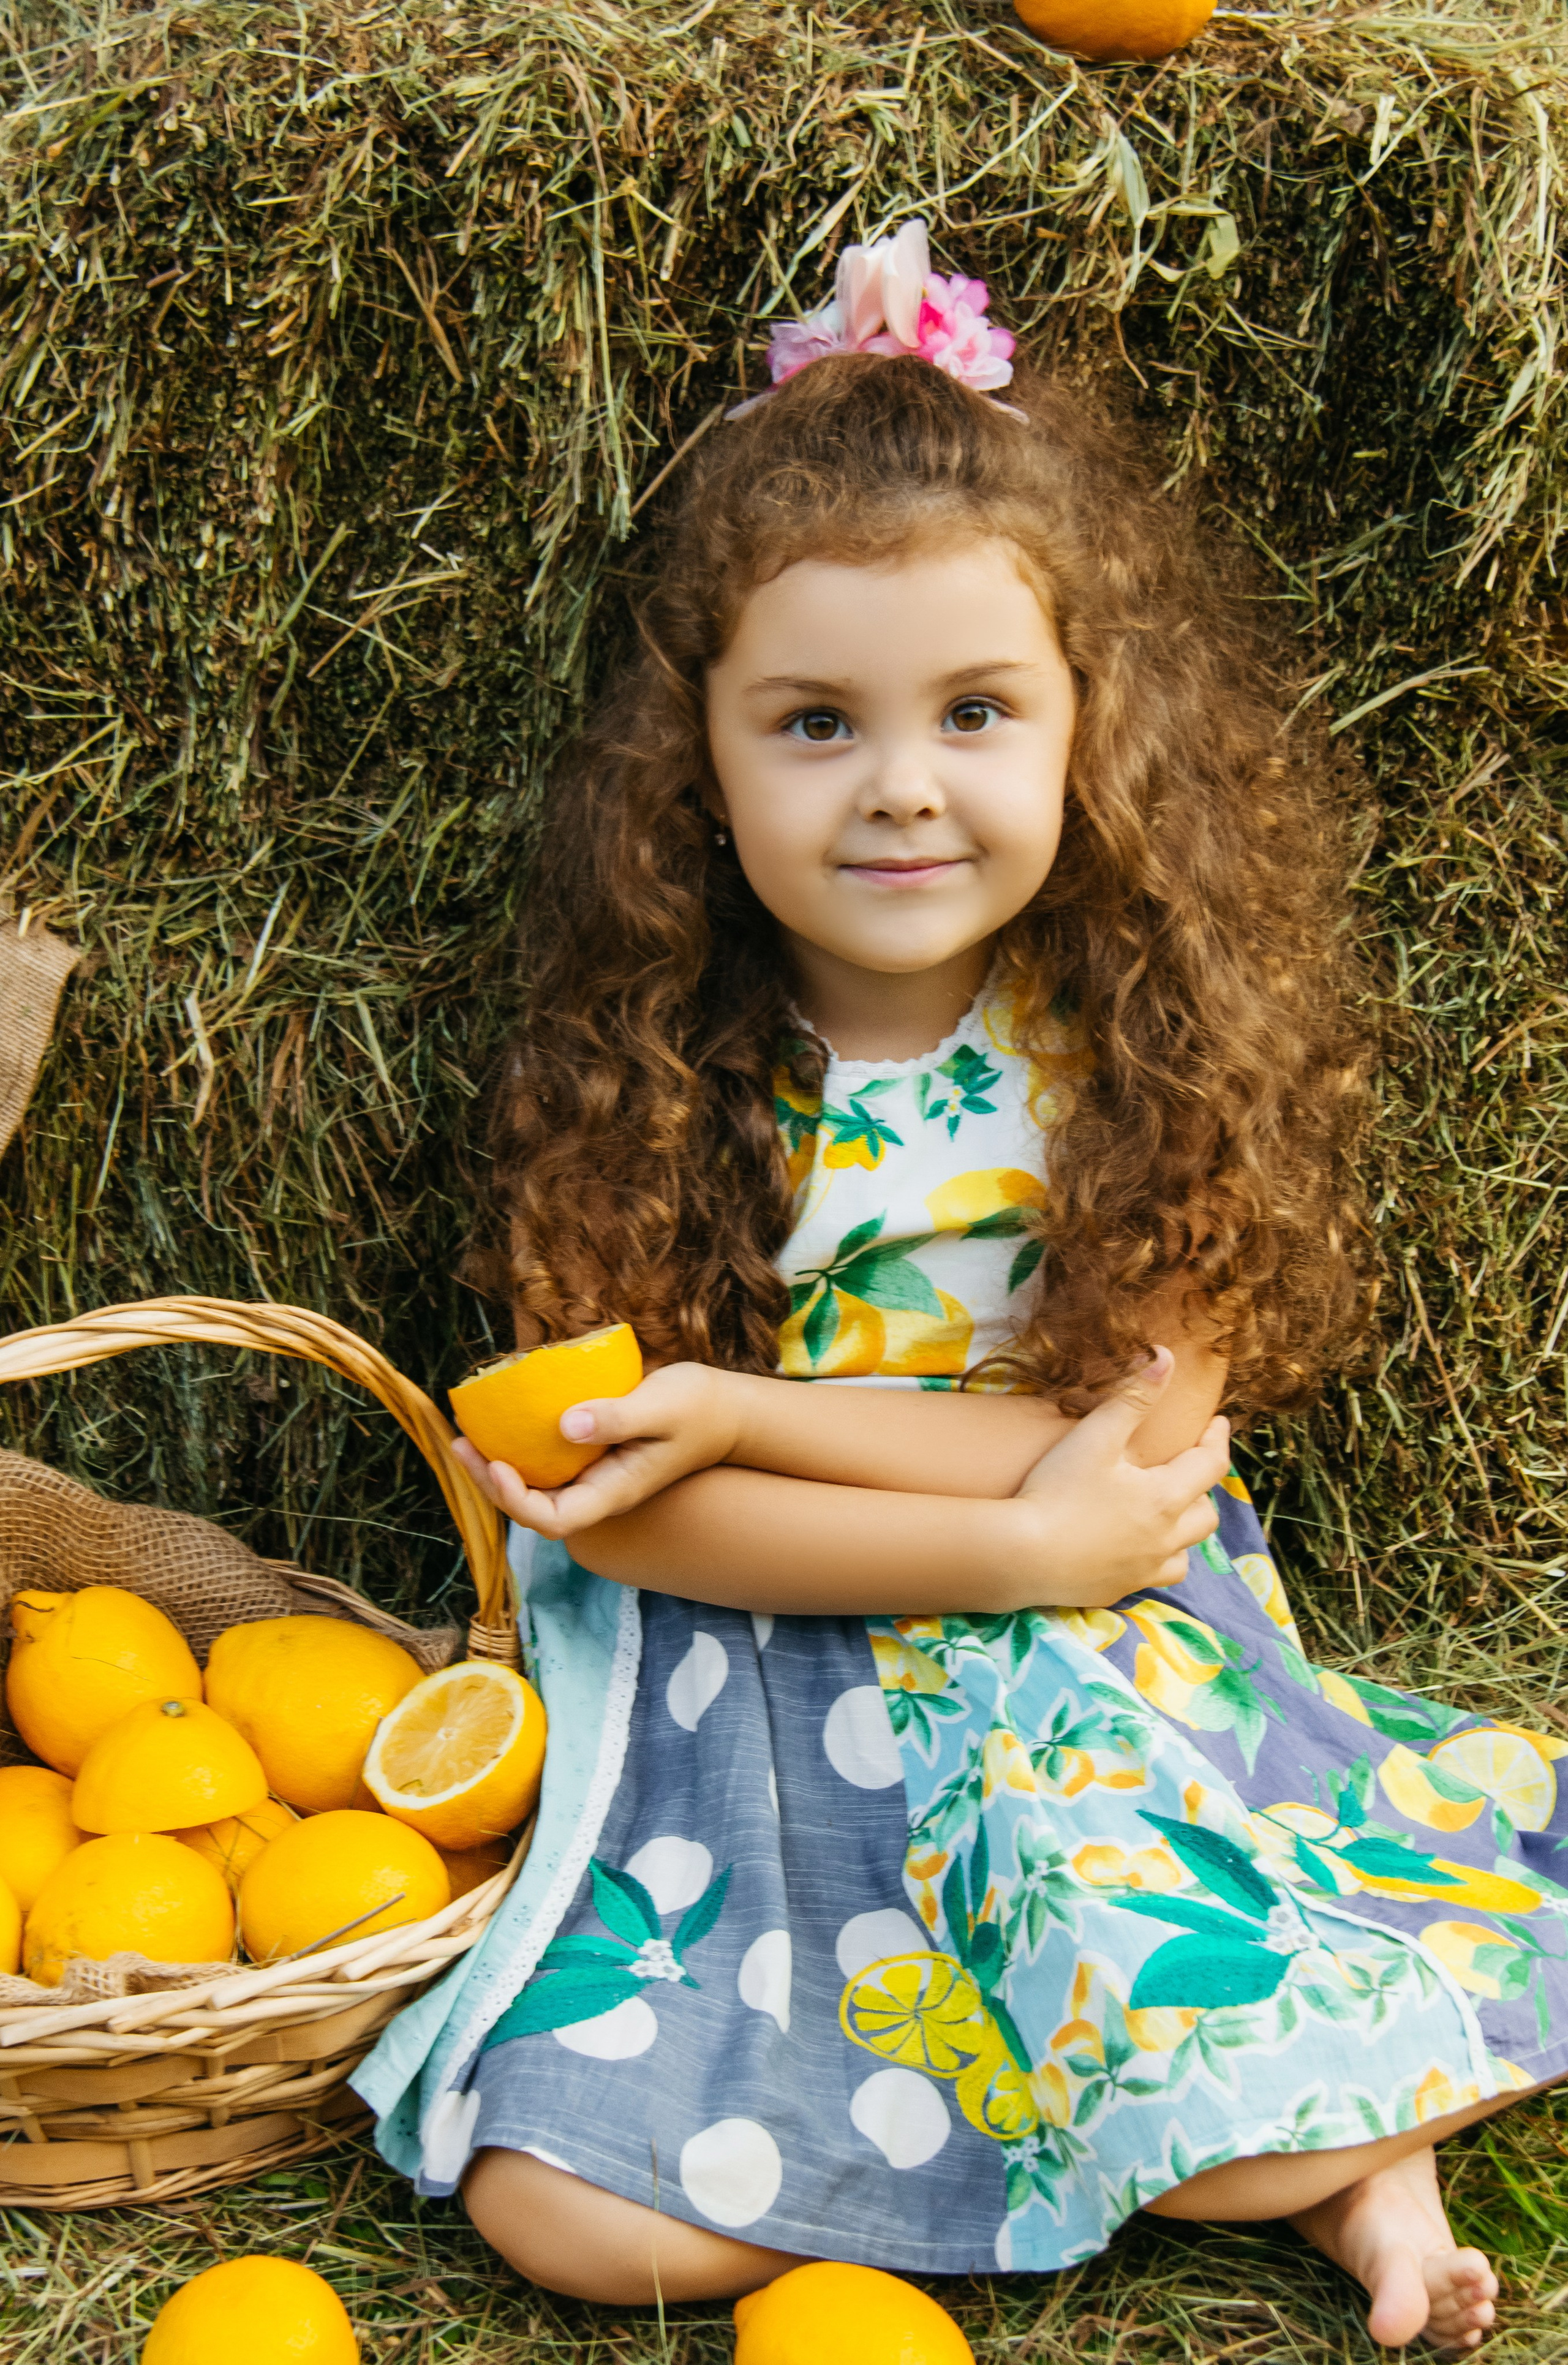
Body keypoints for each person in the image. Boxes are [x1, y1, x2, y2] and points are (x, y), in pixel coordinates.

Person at [442, 225, 1565, 2352]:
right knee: (566, 2225)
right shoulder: (649, 1063)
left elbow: (1124, 1454)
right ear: (699, 760)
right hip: (752, 1668)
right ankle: (961, 2134)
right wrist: (978, 1524)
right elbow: (622, 1497)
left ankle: (1355, 2161)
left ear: (1086, 725)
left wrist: (971, 1518)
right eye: (814, 723)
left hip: (1103, 1638)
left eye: (975, 711)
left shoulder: (1140, 1045)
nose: (901, 785)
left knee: (1197, 2058)